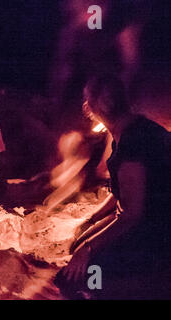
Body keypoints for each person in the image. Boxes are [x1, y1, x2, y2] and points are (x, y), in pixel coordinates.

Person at [57, 75, 171, 299]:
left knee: (81, 275)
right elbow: (123, 193)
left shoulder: (132, 145)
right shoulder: (130, 127)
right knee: (76, 244)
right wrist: (91, 219)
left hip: (156, 230)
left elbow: (133, 213)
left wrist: (88, 248)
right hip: (145, 217)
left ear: (91, 107)